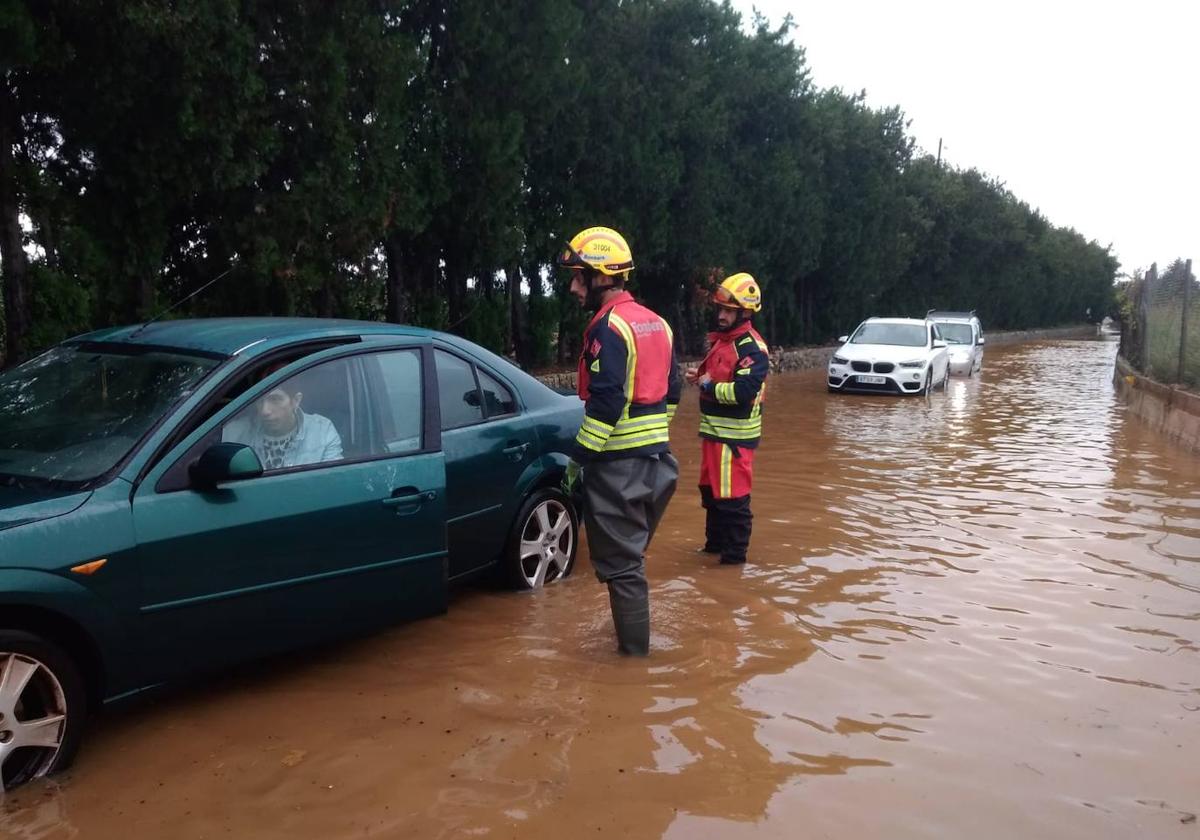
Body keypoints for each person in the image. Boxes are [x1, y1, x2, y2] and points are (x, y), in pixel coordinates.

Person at [557, 225, 681, 657]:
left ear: (603, 277)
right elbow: (674, 391)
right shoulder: (657, 324)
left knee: (623, 570)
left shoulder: (608, 327)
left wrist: (579, 460)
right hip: (658, 465)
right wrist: (651, 438)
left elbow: (606, 405)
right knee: (628, 561)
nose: (573, 287)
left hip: (618, 468)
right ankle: (633, 650)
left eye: (578, 277)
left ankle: (633, 668)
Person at [685, 272, 769, 565]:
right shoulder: (723, 342)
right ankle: (713, 549)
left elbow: (745, 391)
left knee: (734, 502)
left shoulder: (751, 349)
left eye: (728, 311)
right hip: (714, 436)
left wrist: (708, 385)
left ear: (745, 312)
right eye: (719, 309)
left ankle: (733, 564)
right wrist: (701, 378)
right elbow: (720, 376)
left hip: (734, 441)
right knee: (711, 496)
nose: (720, 315)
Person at [222, 372, 343, 469]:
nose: (265, 411)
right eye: (259, 400)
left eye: (275, 400)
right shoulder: (234, 433)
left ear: (296, 400)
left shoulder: (321, 431)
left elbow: (332, 481)